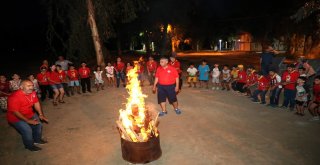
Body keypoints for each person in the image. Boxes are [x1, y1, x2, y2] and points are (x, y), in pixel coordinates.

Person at [7, 80, 49, 152]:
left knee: (39, 125)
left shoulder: (32, 93)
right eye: (28, 86)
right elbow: (15, 112)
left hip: (29, 113)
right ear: (21, 87)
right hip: (16, 118)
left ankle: (37, 140)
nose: (31, 87)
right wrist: (27, 121)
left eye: (32, 85)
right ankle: (29, 146)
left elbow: (36, 103)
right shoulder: (14, 97)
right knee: (27, 130)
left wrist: (40, 114)